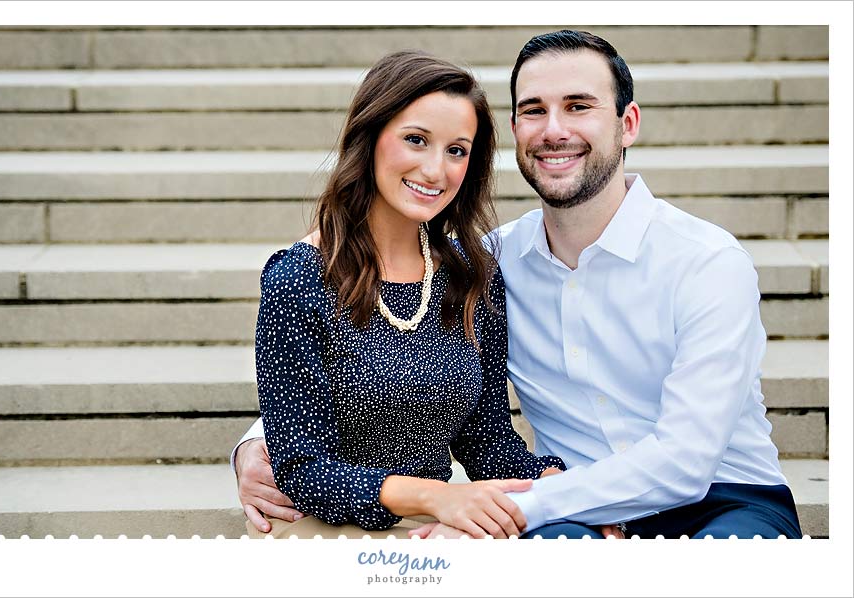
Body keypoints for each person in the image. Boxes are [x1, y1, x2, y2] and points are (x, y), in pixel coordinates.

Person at [235, 30, 804, 540]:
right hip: (564, 511)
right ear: (514, 130)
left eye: (578, 106)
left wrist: (518, 505)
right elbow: (334, 361)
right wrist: (261, 447)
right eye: (534, 110)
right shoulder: (488, 263)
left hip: (721, 500)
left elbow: (685, 459)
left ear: (626, 123)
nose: (554, 130)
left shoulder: (706, 261)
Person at [234, 50, 571, 540]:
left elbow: (489, 440)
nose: (436, 170)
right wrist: (435, 496)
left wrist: (571, 493)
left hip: (434, 521)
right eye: (416, 140)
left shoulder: (472, 273)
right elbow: (303, 468)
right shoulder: (300, 279)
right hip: (322, 527)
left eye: (457, 150)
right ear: (370, 138)